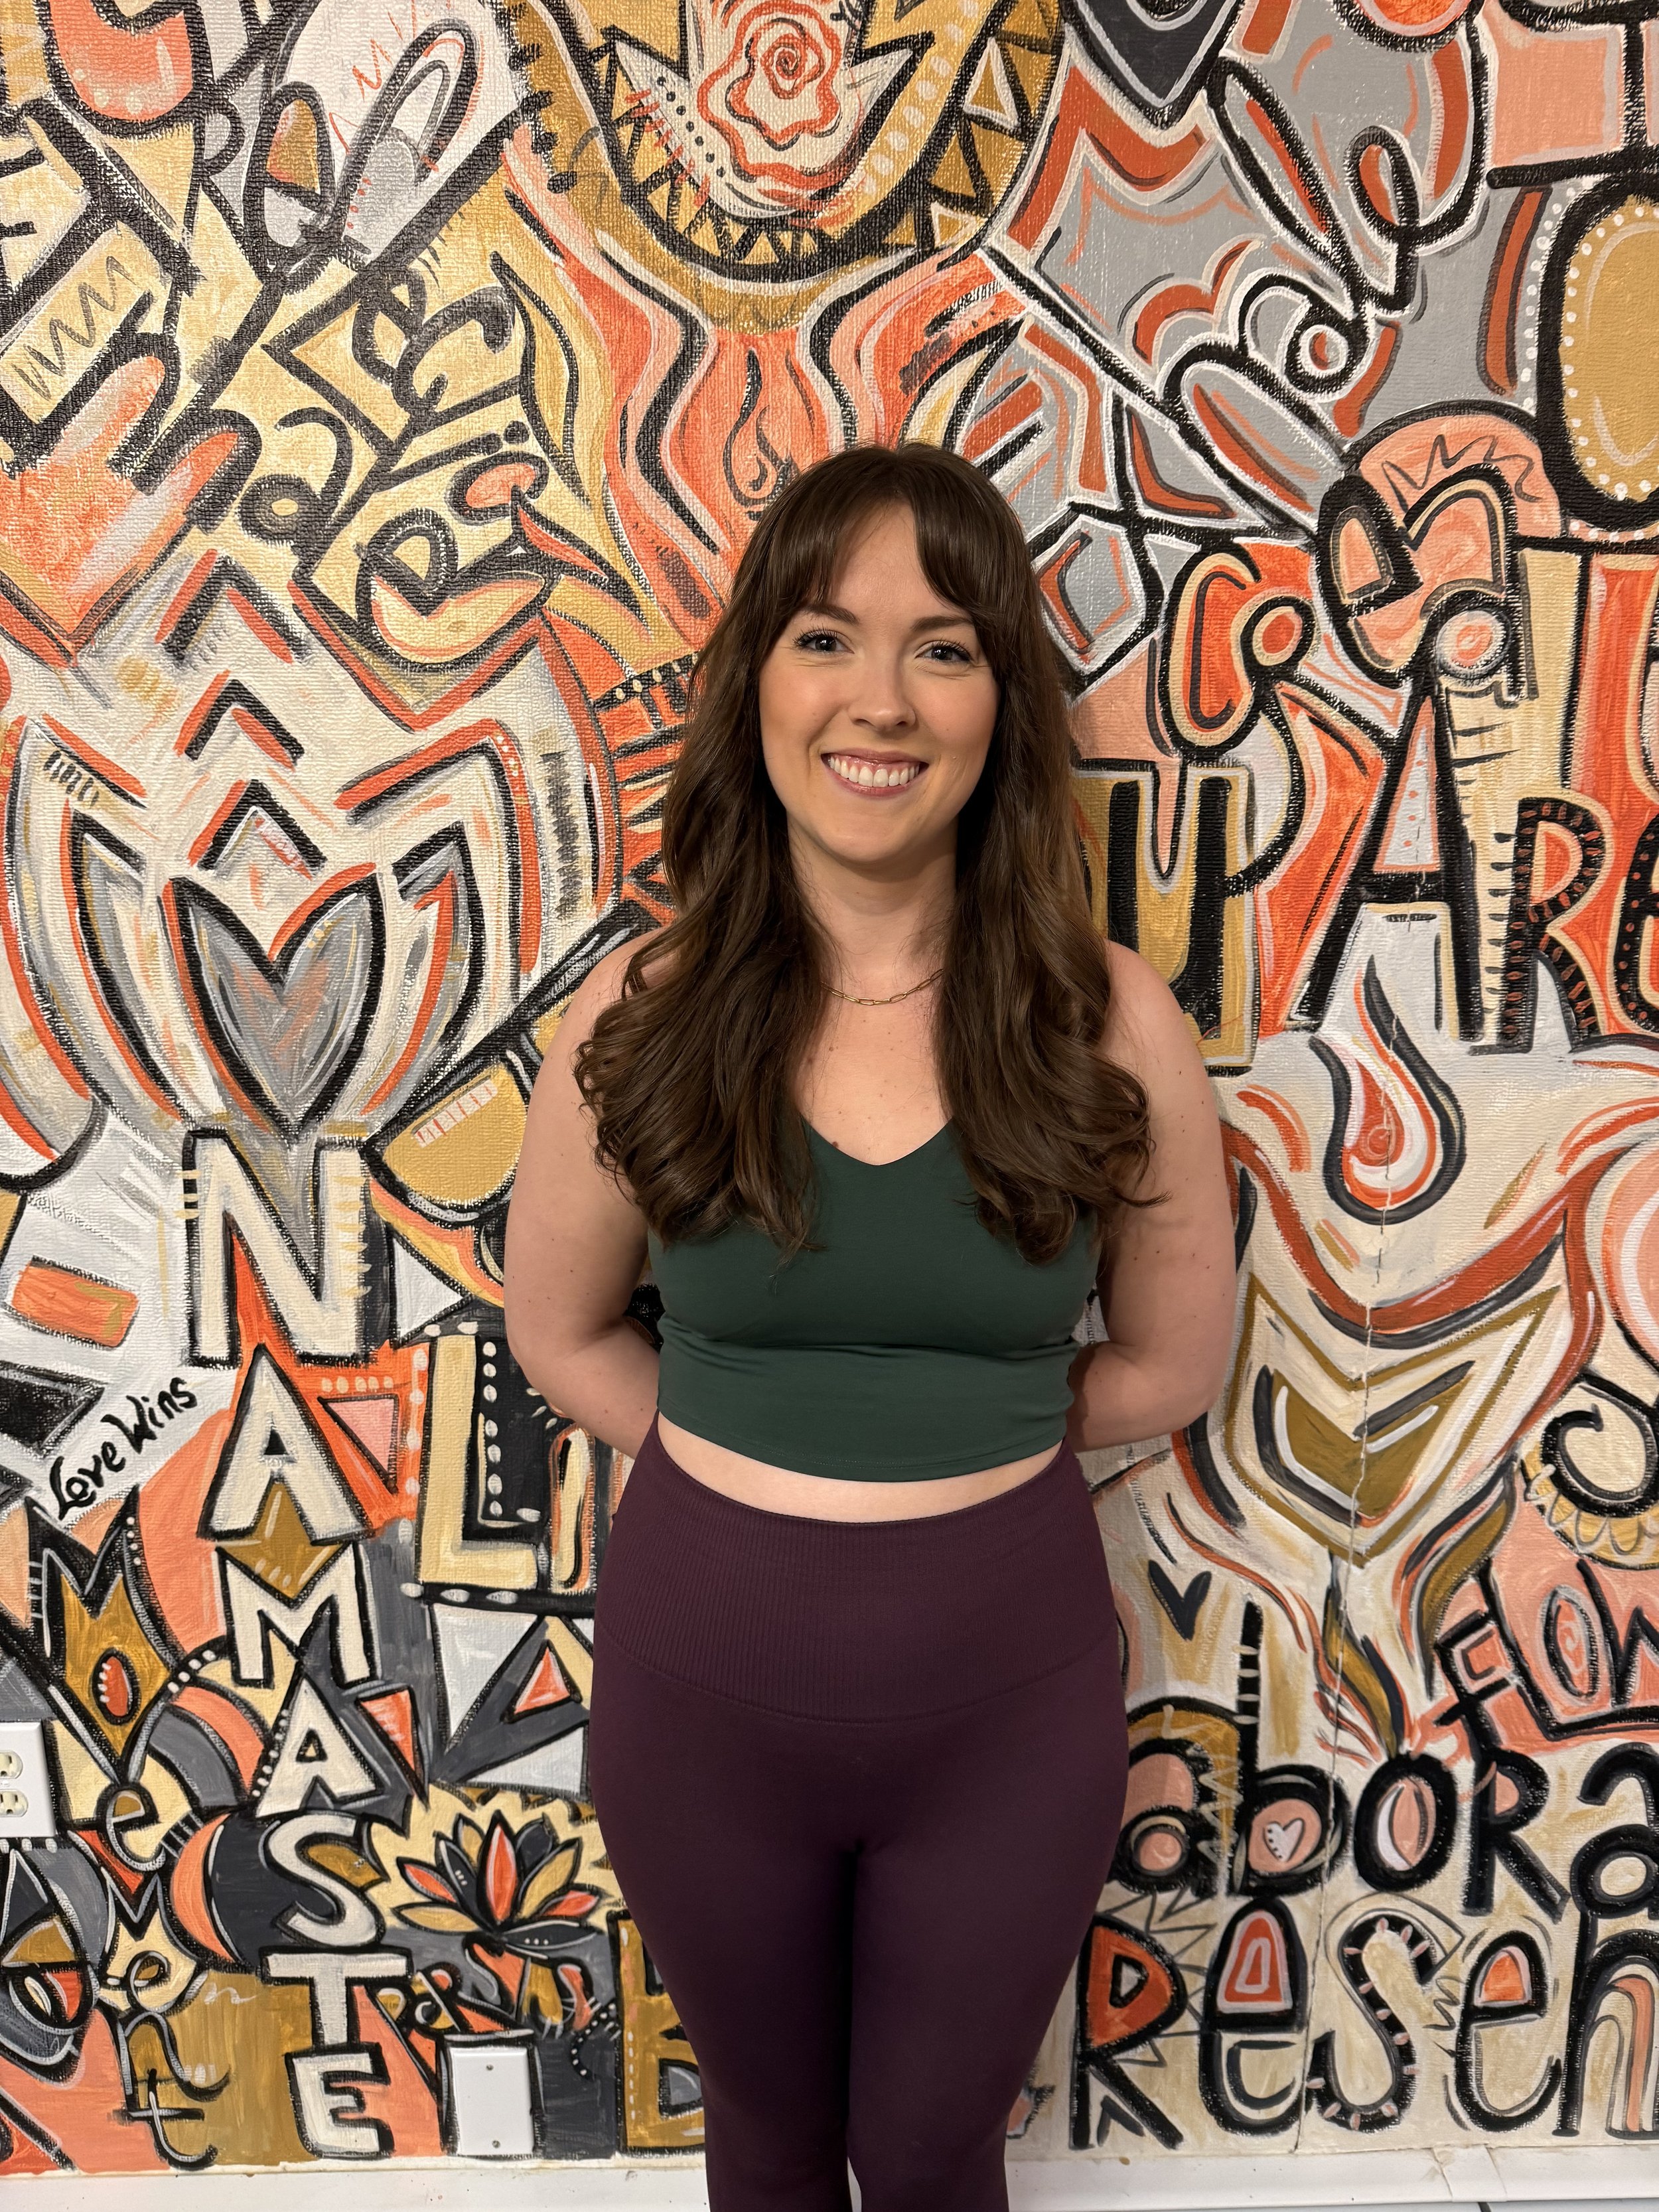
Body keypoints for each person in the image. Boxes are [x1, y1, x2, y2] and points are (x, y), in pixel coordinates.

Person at [504, 443, 1236, 2209]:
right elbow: (559, 1330)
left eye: (946, 647)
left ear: (1003, 703)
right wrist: (764, 1449)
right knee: (762, 2149)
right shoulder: (647, 1014)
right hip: (700, 1699)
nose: (880, 701)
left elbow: (1172, 1362)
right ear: (758, 671)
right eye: (828, 636)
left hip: (1007, 1708)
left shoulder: (1104, 1022)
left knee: (926, 2161)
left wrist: (956, 1444)